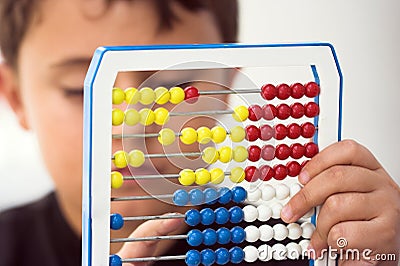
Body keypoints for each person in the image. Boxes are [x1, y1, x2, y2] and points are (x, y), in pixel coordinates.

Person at [0, 0, 398, 266]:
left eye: (178, 83)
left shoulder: (303, 244)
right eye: (79, 88)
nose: (132, 123)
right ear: (15, 98)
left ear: (227, 85)